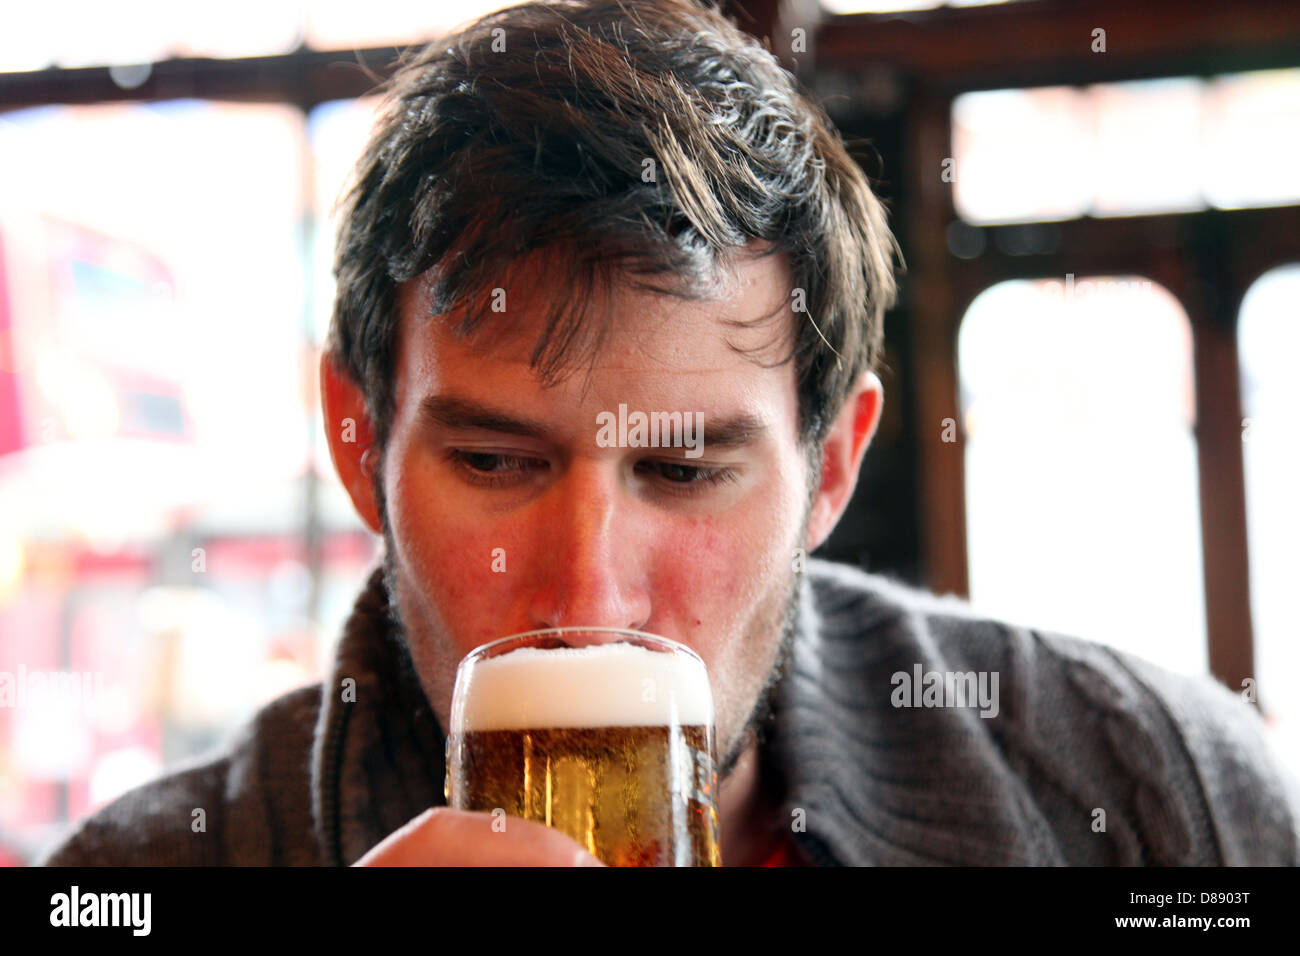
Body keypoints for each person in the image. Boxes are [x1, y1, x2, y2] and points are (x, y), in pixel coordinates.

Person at [41, 0, 1299, 866]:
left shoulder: (1152, 797)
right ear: (356, 436)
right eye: (494, 461)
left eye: (685, 469)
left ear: (832, 464)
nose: (589, 591)